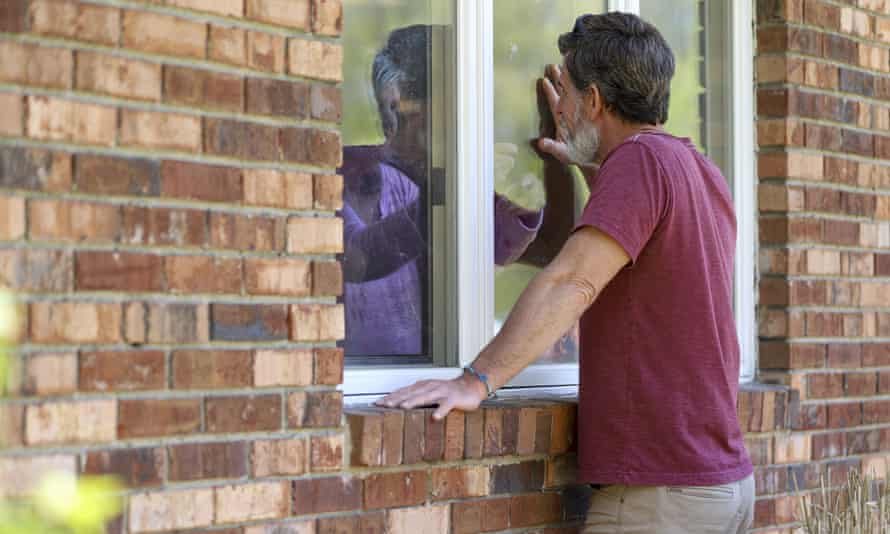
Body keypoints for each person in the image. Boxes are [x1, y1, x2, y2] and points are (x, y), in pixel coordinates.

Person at [379, 12, 754, 533]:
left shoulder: (640, 165)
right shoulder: (697, 168)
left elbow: (570, 282)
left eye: (571, 95)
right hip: (718, 486)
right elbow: (650, 272)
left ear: (596, 101)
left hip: (661, 499)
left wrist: (476, 379)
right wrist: (586, 164)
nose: (564, 109)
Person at [341, 25, 547, 357]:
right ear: (396, 108)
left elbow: (501, 246)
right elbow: (357, 258)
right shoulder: (349, 170)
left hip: (431, 383)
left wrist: (524, 192)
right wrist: (448, 190)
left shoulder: (444, 177)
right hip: (363, 384)